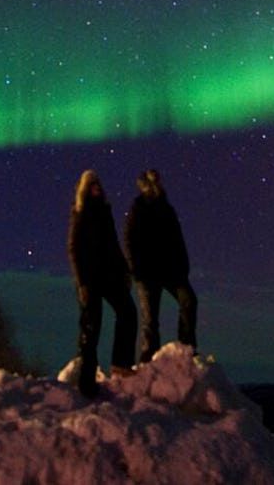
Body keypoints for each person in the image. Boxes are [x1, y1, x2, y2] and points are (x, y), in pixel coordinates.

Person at [68, 169, 136, 397]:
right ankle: (86, 382)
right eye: (92, 184)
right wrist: (82, 283)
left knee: (128, 312)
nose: (97, 187)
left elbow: (114, 244)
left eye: (98, 183)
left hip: (110, 276)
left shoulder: (105, 212)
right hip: (90, 278)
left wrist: (125, 271)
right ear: (85, 188)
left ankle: (121, 364)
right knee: (91, 326)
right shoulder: (80, 212)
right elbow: (74, 248)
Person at [124, 168, 198, 363]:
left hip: (171, 270)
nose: (155, 184)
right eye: (151, 181)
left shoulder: (167, 208)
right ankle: (148, 361)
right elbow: (129, 239)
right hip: (147, 272)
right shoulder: (138, 207)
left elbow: (177, 238)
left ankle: (186, 349)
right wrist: (135, 270)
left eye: (157, 181)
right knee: (150, 320)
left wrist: (183, 266)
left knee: (189, 301)